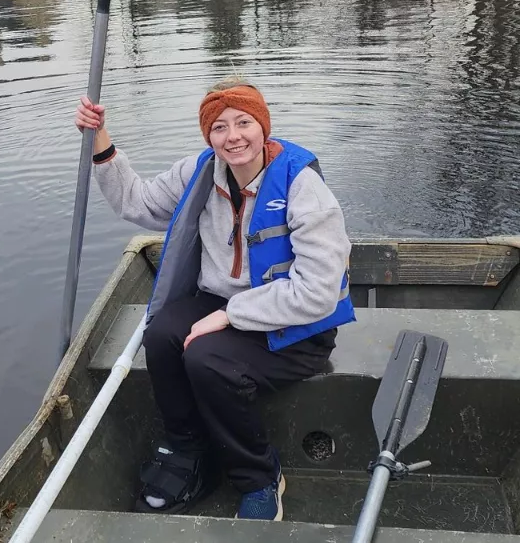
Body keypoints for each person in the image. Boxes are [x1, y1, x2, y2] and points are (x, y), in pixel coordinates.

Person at [73, 79, 353, 522]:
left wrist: (230, 314)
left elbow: (317, 293)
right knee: (162, 334)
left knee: (207, 359)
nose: (233, 136)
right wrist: (102, 144)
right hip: (220, 301)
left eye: (244, 122)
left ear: (264, 127)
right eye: (219, 127)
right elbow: (136, 202)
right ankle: (188, 451)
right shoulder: (200, 170)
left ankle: (261, 478)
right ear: (209, 135)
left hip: (298, 327)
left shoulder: (302, 186)